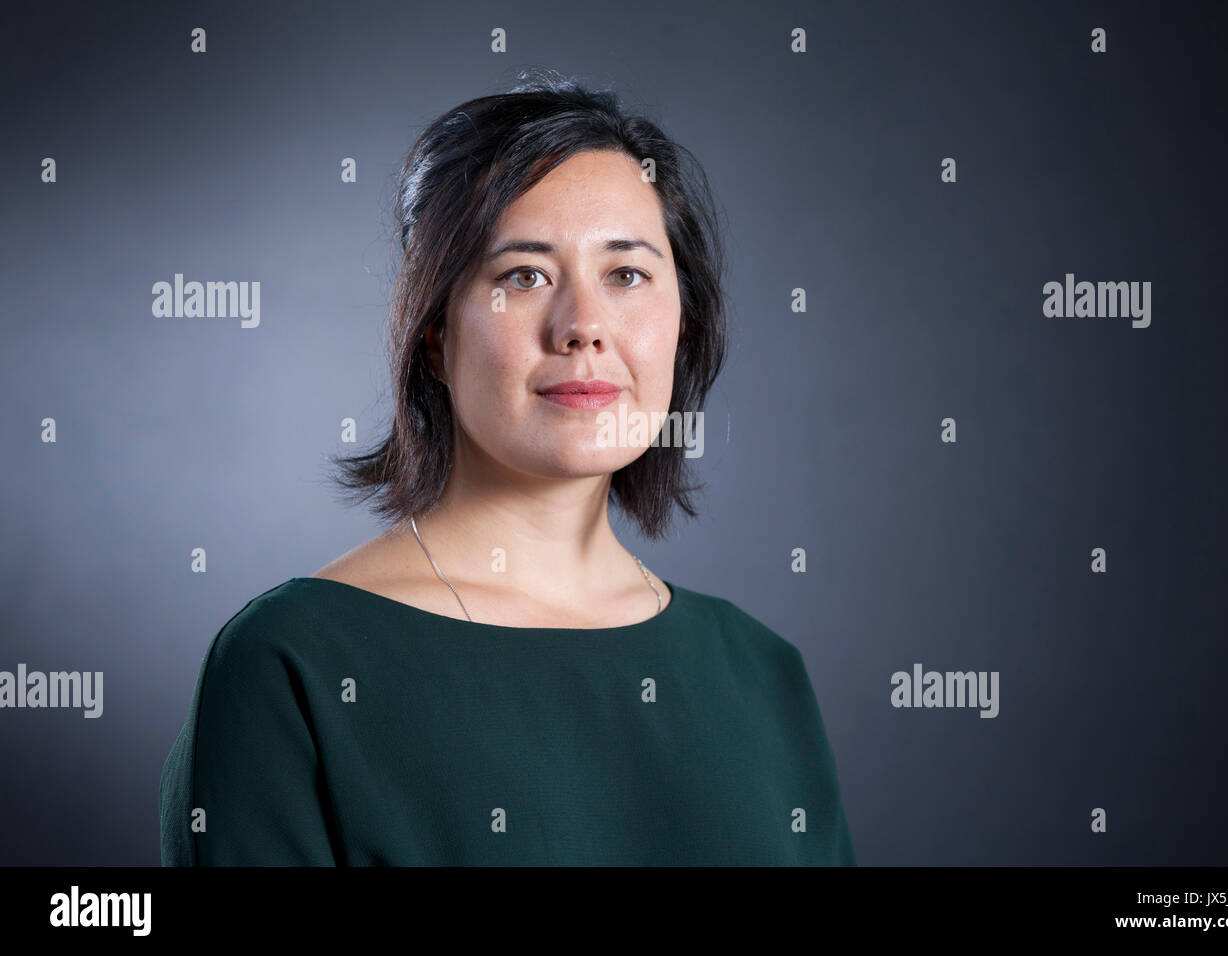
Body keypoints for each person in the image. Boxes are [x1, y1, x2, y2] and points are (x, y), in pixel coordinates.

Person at [159, 69, 856, 866]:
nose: (583, 326)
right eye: (523, 276)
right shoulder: (292, 667)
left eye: (626, 274)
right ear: (434, 337)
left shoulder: (762, 675)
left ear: (683, 326)